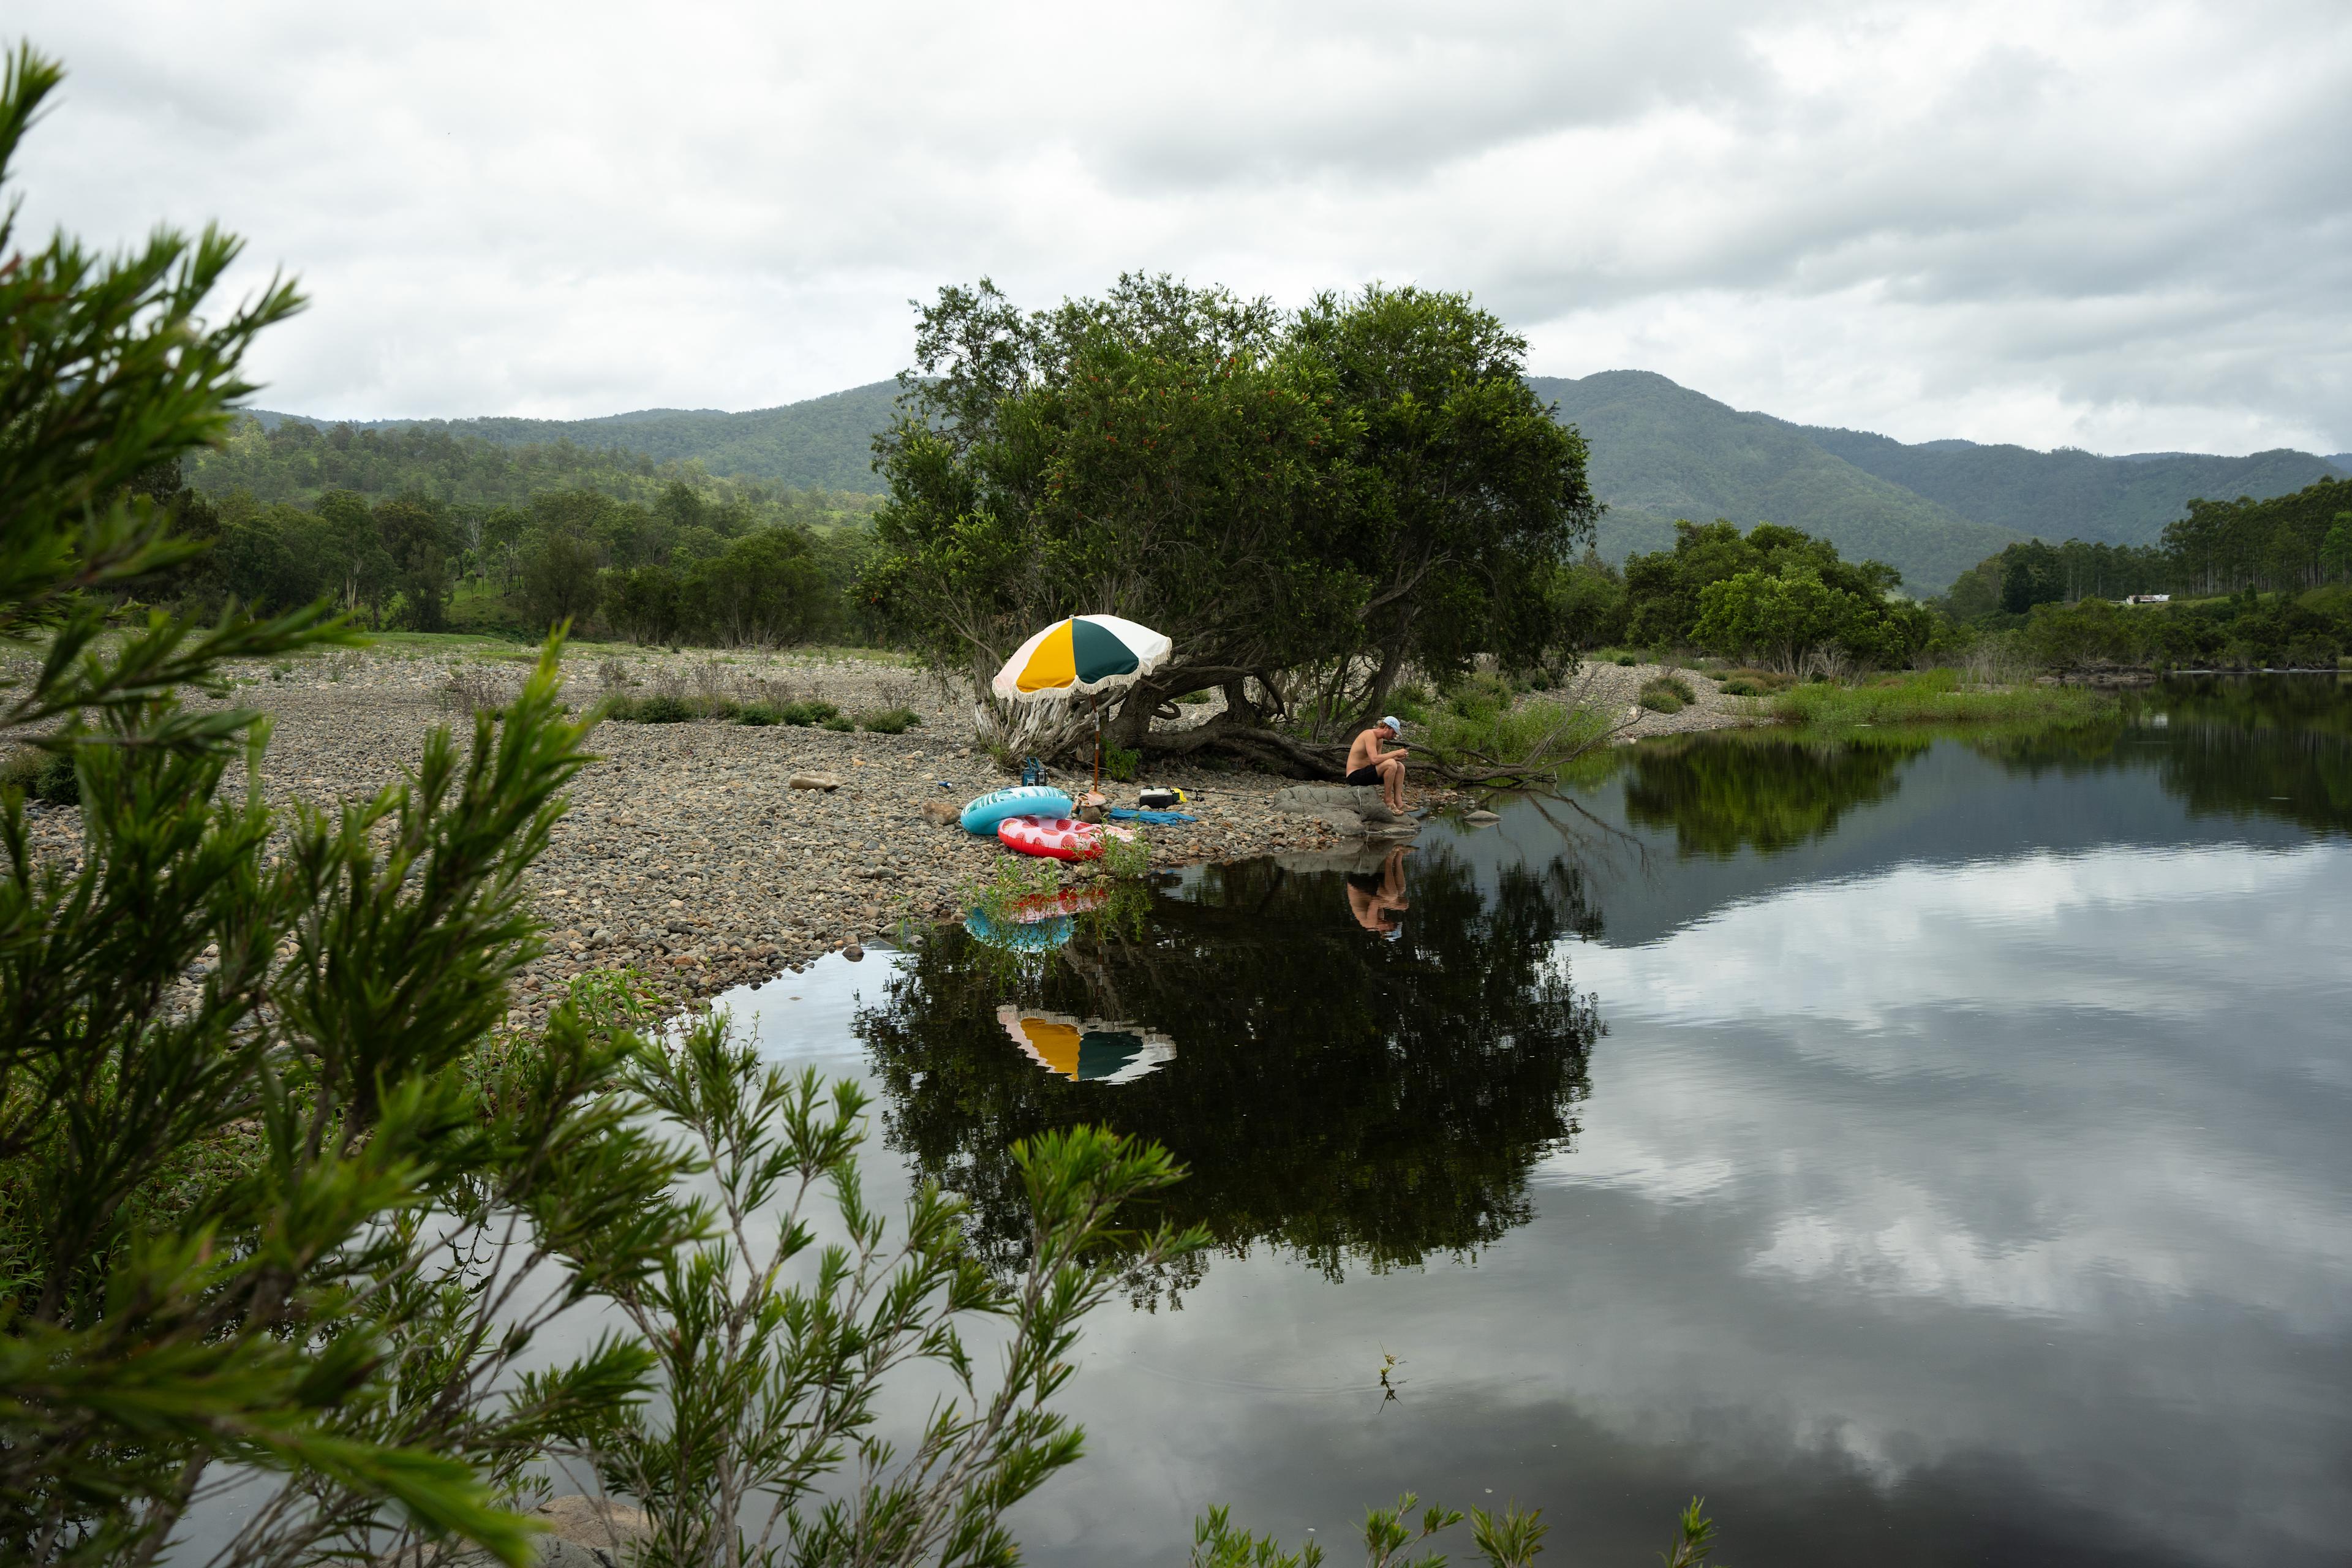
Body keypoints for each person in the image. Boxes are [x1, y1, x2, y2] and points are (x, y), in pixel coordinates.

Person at [1343, 715, 1410, 813]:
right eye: (1394, 733)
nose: (1394, 736)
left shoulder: (1380, 740)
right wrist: (1395, 753)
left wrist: (1397, 757)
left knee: (1399, 766)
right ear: (1387, 728)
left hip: (1366, 773)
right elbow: (1374, 760)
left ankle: (1399, 803)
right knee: (1391, 764)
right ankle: (1388, 802)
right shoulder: (1369, 734)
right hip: (1355, 776)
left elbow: (1377, 762)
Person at [1344, 844, 1412, 937]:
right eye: (1395, 924)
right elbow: (1380, 900)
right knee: (1400, 891)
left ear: (1387, 930)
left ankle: (1390, 858)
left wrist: (1393, 905)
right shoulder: (1381, 917)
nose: (1392, 922)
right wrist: (1395, 904)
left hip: (1356, 883)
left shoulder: (1371, 924)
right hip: (1369, 885)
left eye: (1394, 925)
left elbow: (1376, 900)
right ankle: (1400, 856)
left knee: (1392, 896)